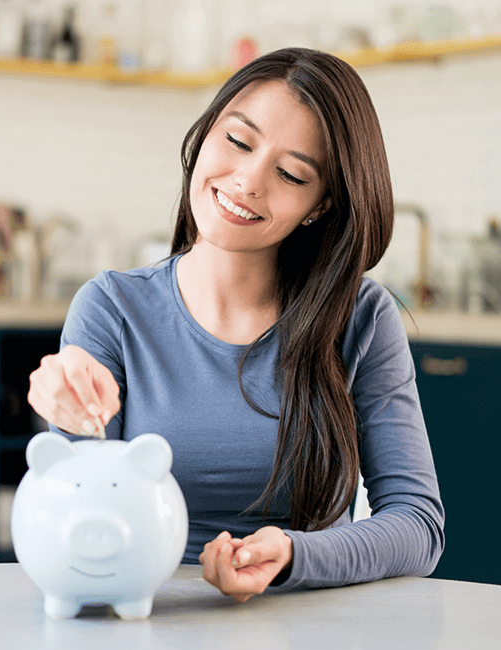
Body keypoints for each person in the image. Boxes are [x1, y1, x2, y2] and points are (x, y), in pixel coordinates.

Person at [27, 47, 445, 603]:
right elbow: (80, 512)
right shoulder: (111, 308)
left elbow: (419, 526)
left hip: (319, 622)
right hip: (147, 613)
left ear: (320, 205)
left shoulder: (361, 318)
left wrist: (295, 555)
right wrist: (67, 409)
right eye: (238, 141)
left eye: (292, 174)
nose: (248, 180)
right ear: (205, 134)